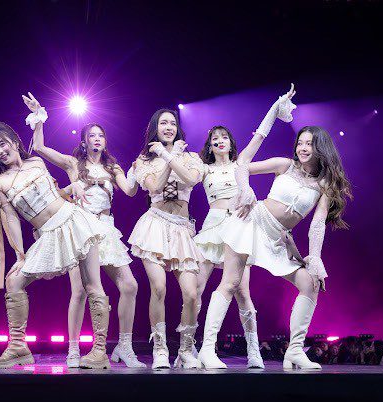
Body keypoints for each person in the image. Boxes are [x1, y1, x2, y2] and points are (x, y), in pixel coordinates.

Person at [198, 124, 352, 370]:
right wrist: (246, 190)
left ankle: (294, 351)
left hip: (278, 238)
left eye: (309, 143)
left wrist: (314, 259)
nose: (303, 148)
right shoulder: (285, 165)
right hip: (250, 221)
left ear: (321, 147)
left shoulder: (325, 184)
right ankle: (207, 350)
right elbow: (241, 167)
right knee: (231, 283)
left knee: (310, 283)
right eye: (300, 143)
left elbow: (317, 224)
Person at [23, 94, 144, 368]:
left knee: (130, 285)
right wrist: (39, 117)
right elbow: (39, 147)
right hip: (81, 229)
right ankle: (74, 349)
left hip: (106, 228)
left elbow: (129, 191)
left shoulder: (112, 167)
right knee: (79, 291)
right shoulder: (73, 164)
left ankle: (124, 346)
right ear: (84, 141)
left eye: (101, 136)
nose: (97, 139)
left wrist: (137, 171)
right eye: (92, 136)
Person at [0, 116, 110, 369]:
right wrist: (20, 255)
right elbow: (11, 219)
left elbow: (54, 193)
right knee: (14, 281)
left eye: (2, 144)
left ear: (14, 141)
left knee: (92, 285)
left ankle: (99, 352)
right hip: (48, 233)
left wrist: (72, 187)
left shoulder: (36, 162)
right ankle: (18, 348)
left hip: (74, 221)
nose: (0, 151)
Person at [194, 85, 296, 368]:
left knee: (241, 291)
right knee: (196, 288)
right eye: (215, 138)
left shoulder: (241, 163)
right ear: (209, 145)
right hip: (212, 227)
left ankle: (254, 349)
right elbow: (183, 175)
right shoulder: (203, 168)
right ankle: (190, 348)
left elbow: (260, 134)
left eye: (224, 137)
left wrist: (276, 107)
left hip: (238, 225)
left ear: (230, 142)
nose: (220, 141)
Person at [129, 109, 205, 369]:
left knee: (191, 294)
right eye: (163, 123)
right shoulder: (144, 160)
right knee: (159, 288)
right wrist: (164, 155)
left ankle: (185, 350)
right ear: (155, 127)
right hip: (155, 225)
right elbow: (154, 187)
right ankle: (160, 349)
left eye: (172, 123)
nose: (169, 127)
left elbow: (191, 179)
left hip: (182, 228)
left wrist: (170, 156)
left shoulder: (191, 157)